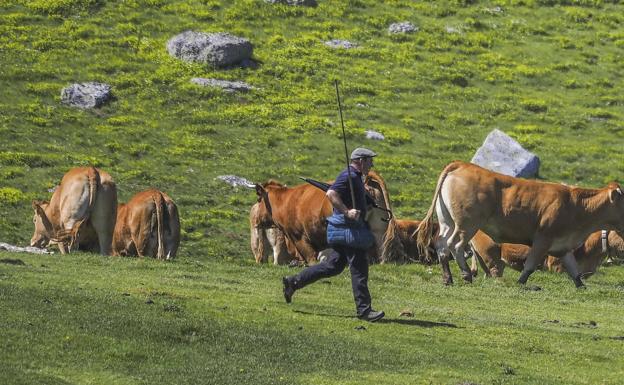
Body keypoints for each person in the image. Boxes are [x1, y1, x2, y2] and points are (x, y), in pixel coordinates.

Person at [281, 147, 385, 322]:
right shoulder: (349, 176)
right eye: (369, 160)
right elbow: (331, 193)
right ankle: (364, 310)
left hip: (345, 230)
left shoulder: (355, 177)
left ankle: (293, 282)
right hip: (348, 230)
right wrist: (347, 211)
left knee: (333, 266)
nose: (371, 164)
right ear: (360, 161)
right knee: (359, 269)